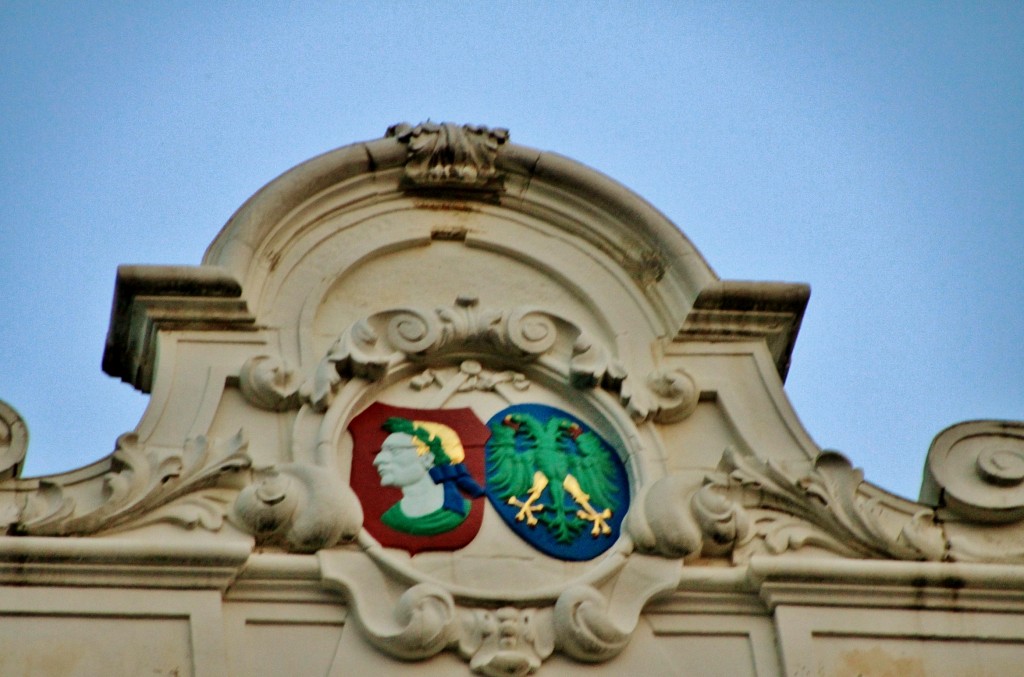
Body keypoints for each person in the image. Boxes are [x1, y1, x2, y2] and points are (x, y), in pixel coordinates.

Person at [373, 418, 483, 536]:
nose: (377, 460)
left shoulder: (460, 511)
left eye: (394, 451)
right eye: (381, 452)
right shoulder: (391, 517)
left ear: (427, 458)